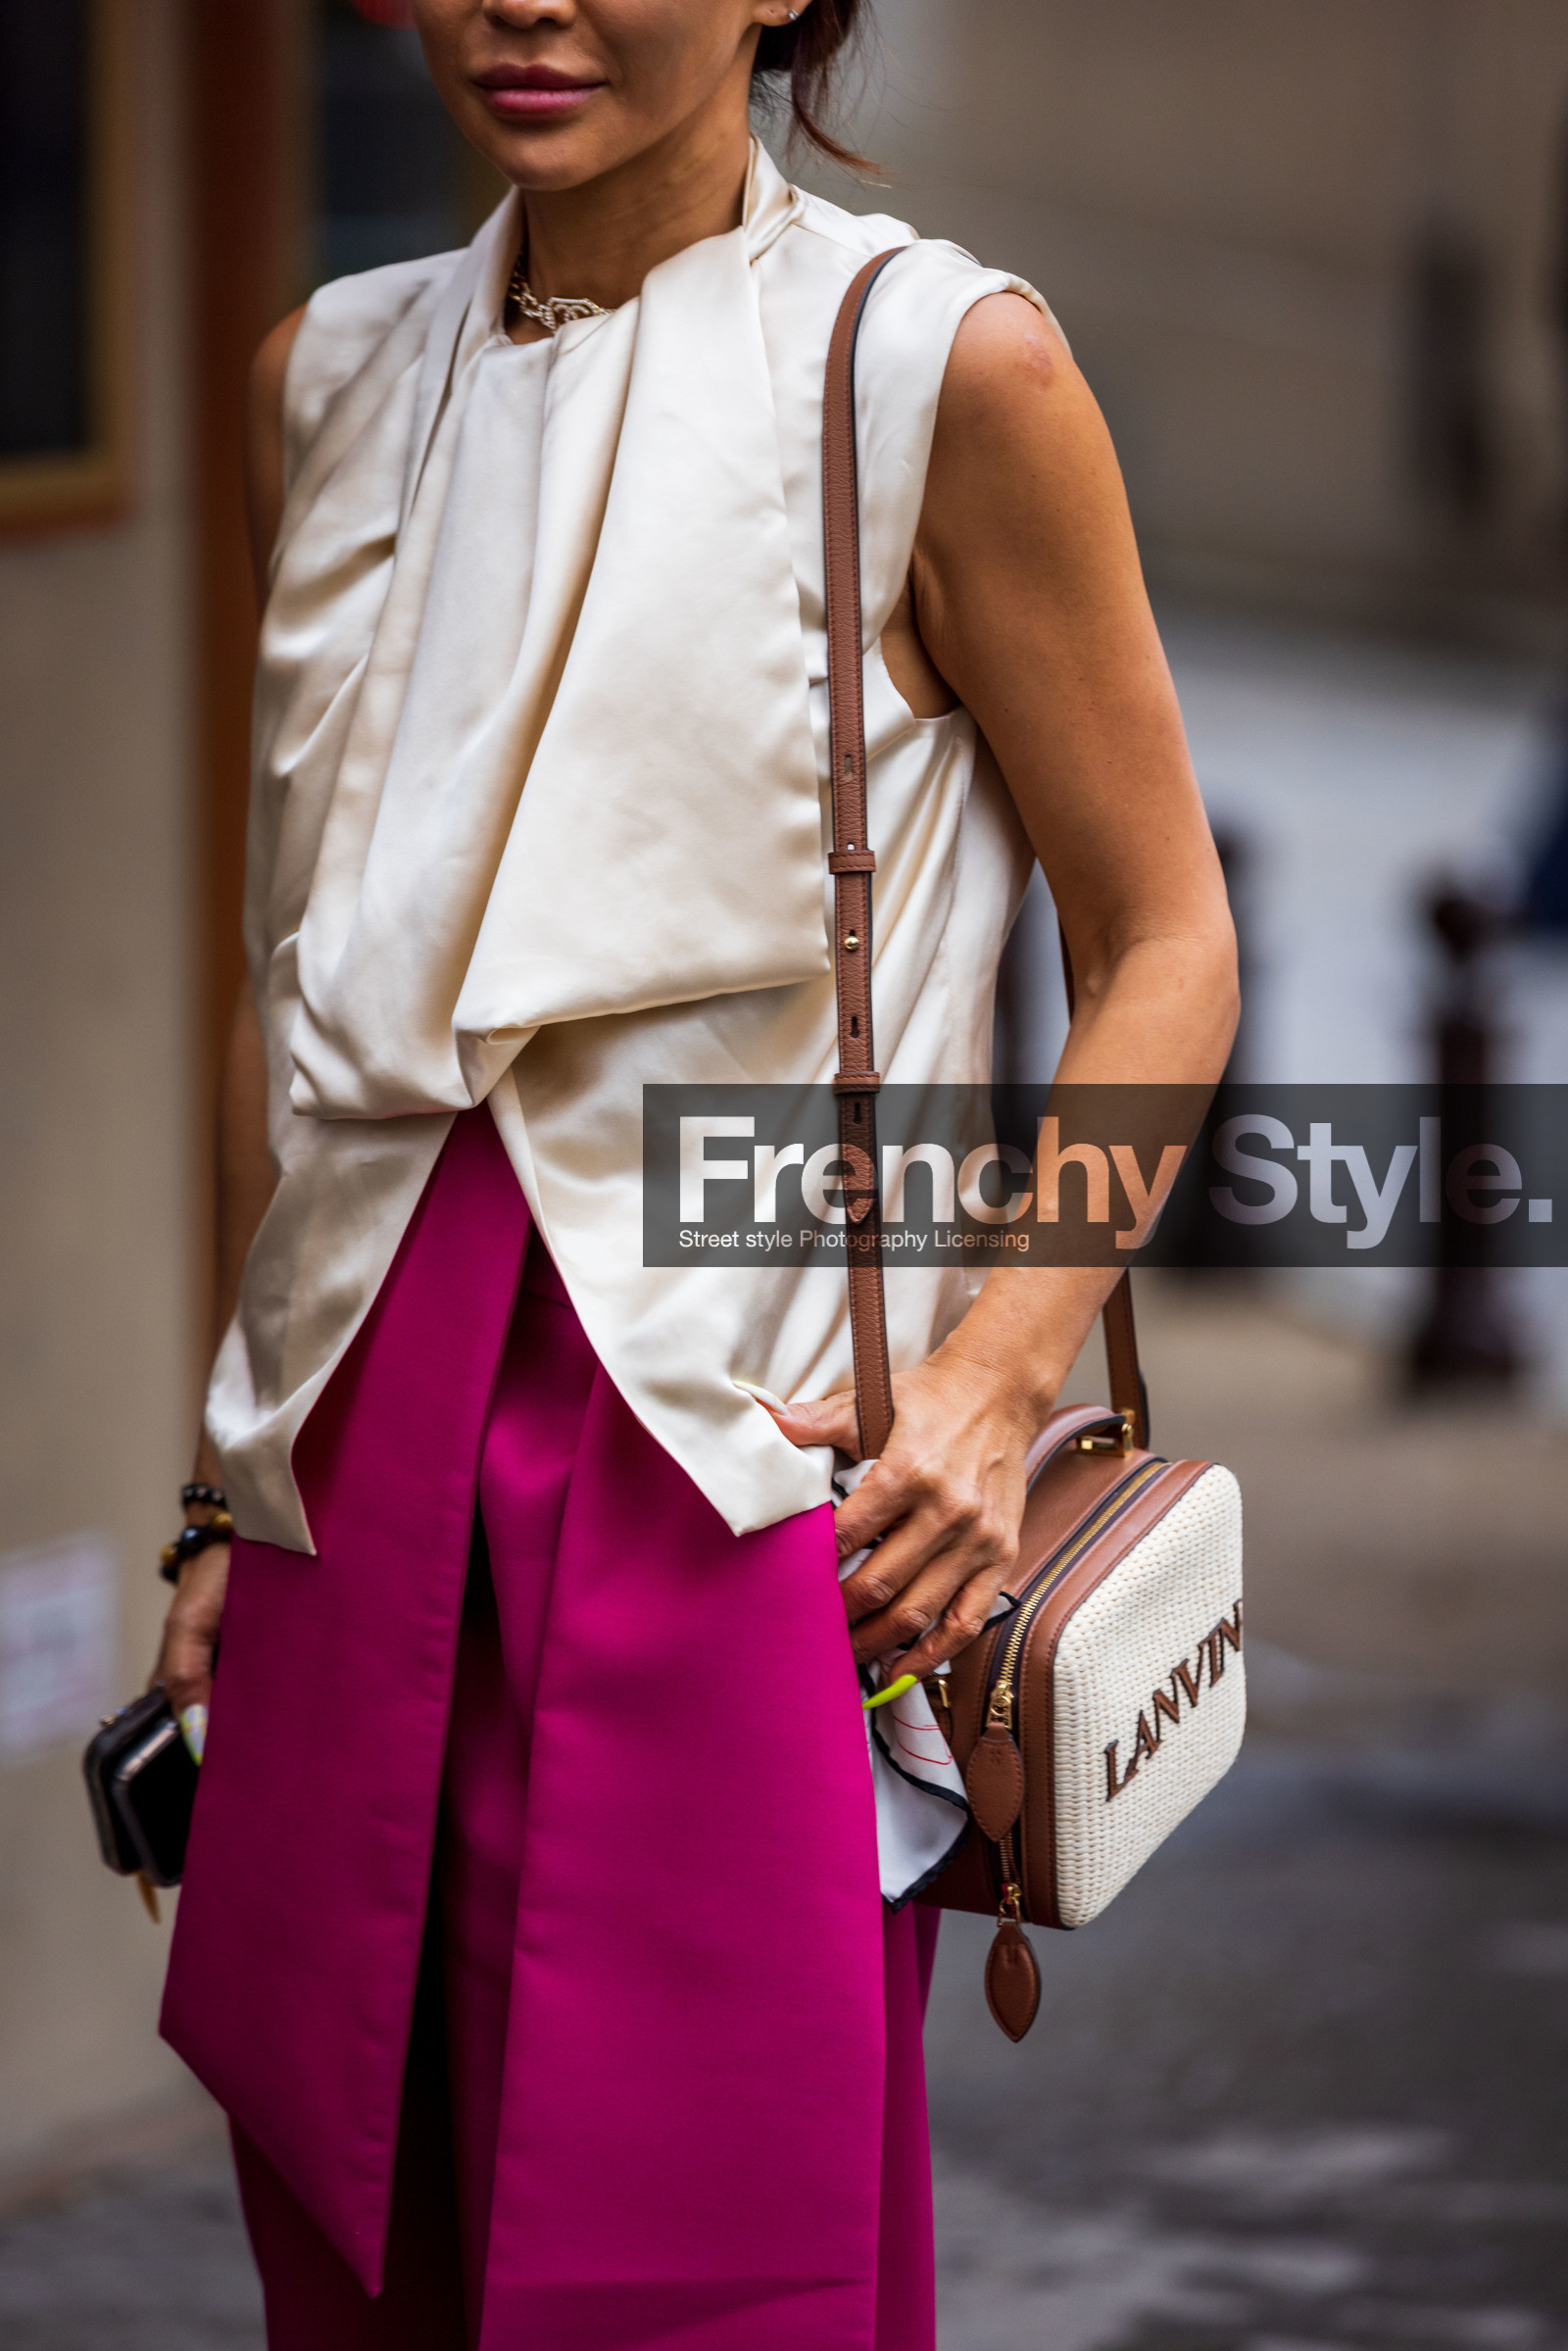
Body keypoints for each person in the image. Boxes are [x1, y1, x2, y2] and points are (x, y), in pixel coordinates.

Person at [153, 2, 1238, 2344]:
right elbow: (307, 991)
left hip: (719, 1460)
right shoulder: (317, 378)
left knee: (699, 2240)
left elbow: (1160, 940)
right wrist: (228, 1481)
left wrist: (989, 1371)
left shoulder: (937, 368)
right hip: (356, 1451)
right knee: (353, 2223)